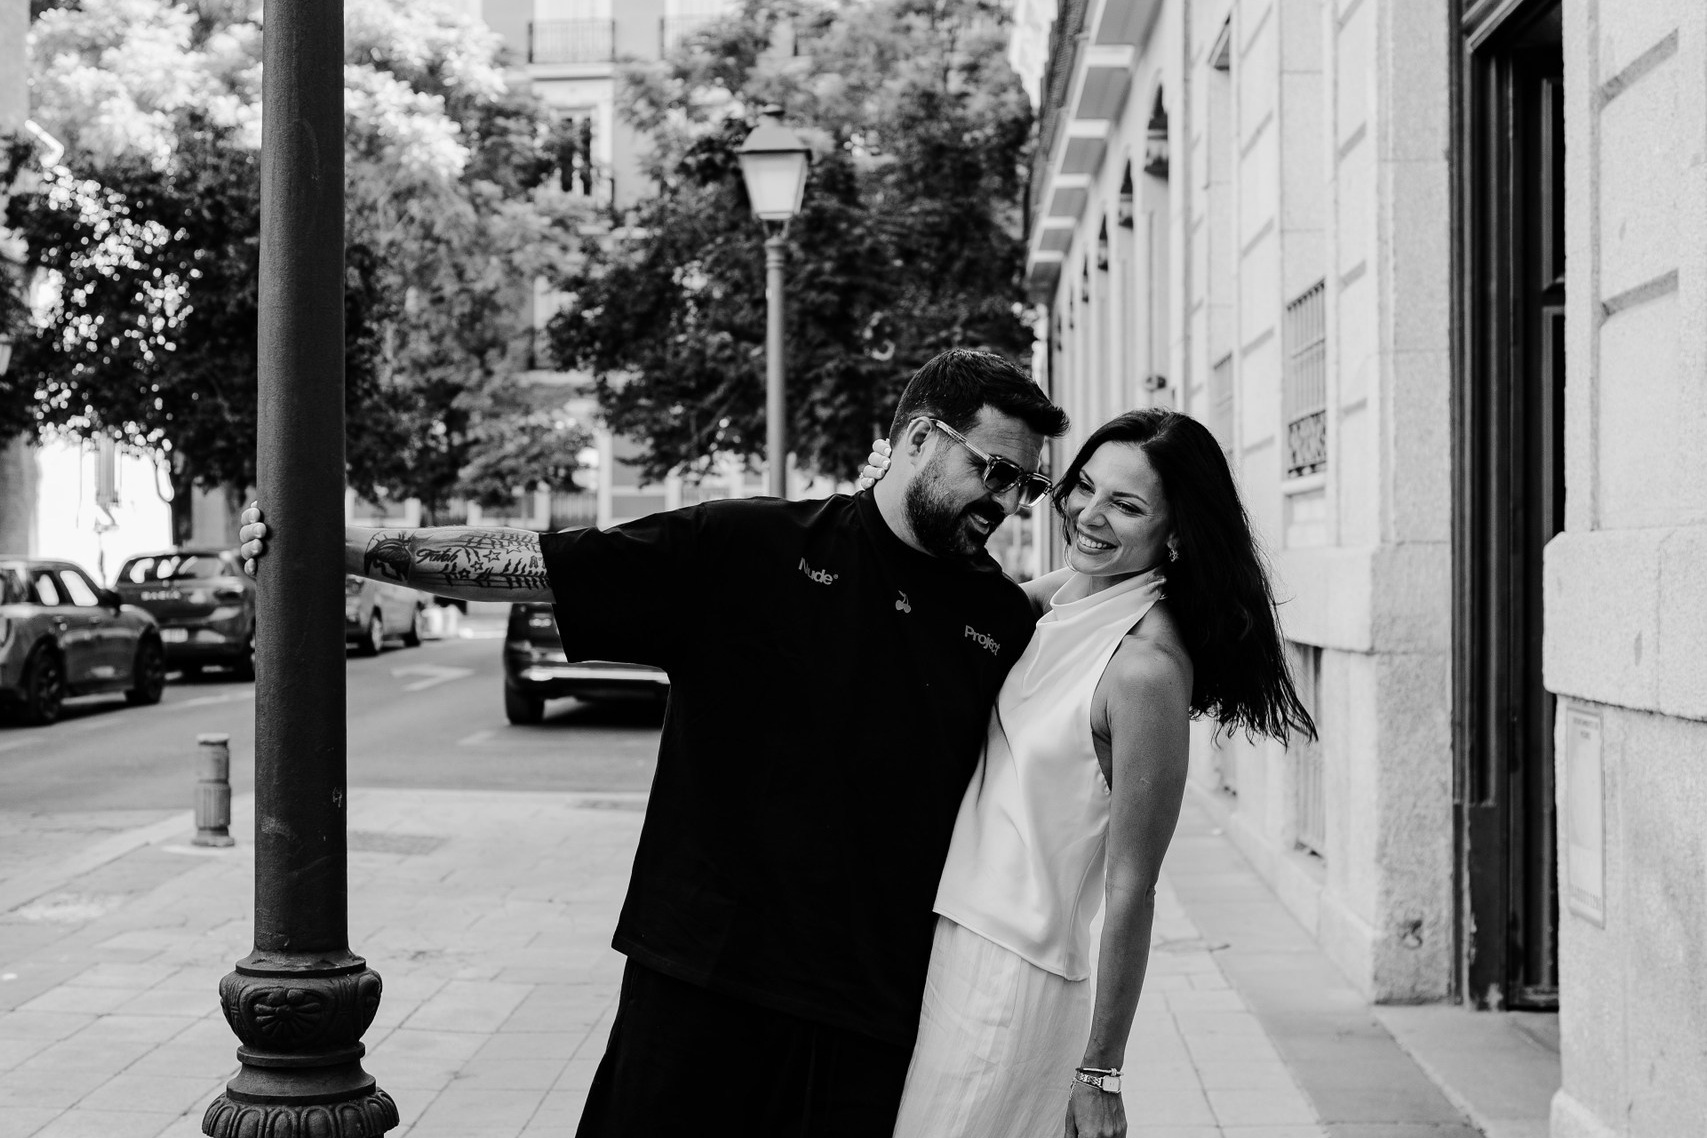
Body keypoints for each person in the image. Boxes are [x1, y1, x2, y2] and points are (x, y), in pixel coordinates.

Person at [237, 348, 1069, 1138]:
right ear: (918, 438)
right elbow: (528, 563)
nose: (1007, 503)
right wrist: (322, 544)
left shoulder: (999, 621)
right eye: (993, 471)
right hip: (701, 983)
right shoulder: (750, 547)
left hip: (871, 1016)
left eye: (1027, 486)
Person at [859, 408, 1313, 1138]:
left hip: (1011, 976)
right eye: (1084, 487)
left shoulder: (1144, 670)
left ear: (1176, 533)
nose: (1089, 515)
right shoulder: (1065, 598)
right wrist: (885, 498)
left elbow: (1133, 888)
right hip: (944, 942)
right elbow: (934, 606)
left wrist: (1100, 1073)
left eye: (1126, 505)